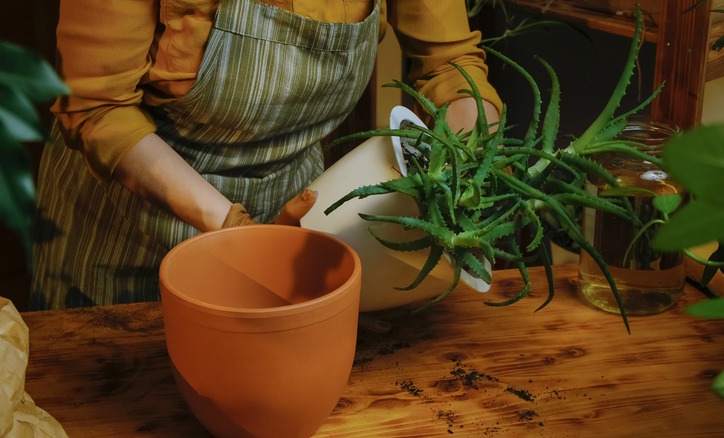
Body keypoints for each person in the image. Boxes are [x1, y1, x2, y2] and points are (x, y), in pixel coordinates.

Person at [30, 0, 502, 310]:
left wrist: (471, 140)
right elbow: (99, 106)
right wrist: (236, 230)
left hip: (297, 227)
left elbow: (449, 63)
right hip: (130, 237)